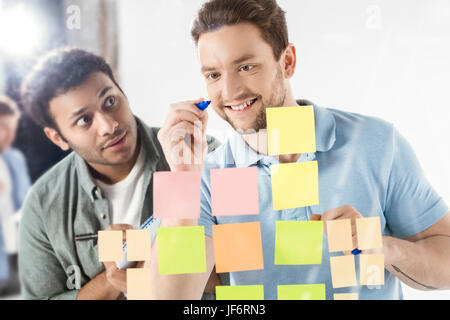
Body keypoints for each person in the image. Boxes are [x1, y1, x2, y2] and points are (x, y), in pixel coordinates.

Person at [153, 0, 450, 299]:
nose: (229, 92)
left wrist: (382, 246)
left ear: (288, 62)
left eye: (246, 67)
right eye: (213, 75)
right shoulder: (203, 178)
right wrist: (181, 180)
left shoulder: (376, 143)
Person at [18, 48, 221, 300]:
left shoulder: (208, 153)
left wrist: (152, 263)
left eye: (110, 101)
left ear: (119, 88)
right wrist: (112, 280)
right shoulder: (42, 202)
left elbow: (254, 274)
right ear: (58, 137)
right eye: (84, 120)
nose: (109, 126)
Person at [0, 95, 31, 296]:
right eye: (3, 128)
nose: (10, 136)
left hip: (20, 256)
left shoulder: (16, 159)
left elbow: (29, 205)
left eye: (13, 128)